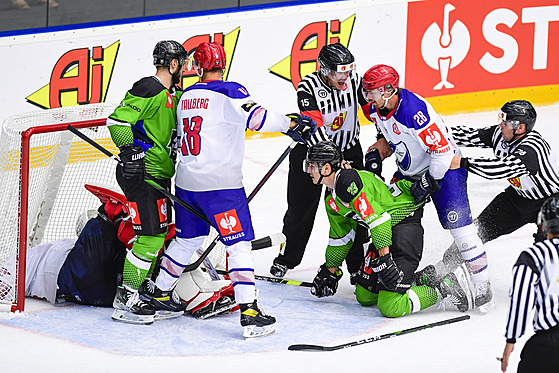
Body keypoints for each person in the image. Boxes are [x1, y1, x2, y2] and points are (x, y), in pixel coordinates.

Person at [150, 41, 316, 338]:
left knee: (188, 240)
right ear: (222, 65)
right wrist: (290, 123)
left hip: (187, 183)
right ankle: (249, 311)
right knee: (238, 246)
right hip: (221, 187)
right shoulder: (229, 90)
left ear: (198, 68)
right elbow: (257, 118)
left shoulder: (185, 95)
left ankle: (160, 293)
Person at [362, 64, 492, 312]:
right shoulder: (376, 107)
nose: (369, 97)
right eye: (368, 92)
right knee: (390, 218)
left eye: (373, 91)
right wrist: (379, 151)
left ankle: (481, 286)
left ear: (389, 90)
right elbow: (390, 138)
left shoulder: (414, 110)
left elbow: (441, 152)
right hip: (409, 172)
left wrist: (430, 180)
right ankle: (397, 274)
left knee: (461, 230)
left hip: (445, 170)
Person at [17, 184, 236, 320]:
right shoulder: (86, 248)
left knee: (170, 244)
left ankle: (204, 287)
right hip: (113, 286)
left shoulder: (78, 250)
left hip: (103, 286)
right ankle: (199, 295)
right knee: (167, 248)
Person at [305, 141, 474, 316]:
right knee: (364, 295)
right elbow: (341, 237)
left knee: (390, 306)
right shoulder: (332, 198)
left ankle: (445, 287)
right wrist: (330, 270)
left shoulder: (348, 183)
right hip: (385, 231)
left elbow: (379, 220)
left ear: (326, 168)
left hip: (403, 225)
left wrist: (385, 260)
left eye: (311, 166)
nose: (308, 171)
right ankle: (424, 278)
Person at [271, 43, 370, 281]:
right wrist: (335, 161)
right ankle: (287, 258)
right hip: (312, 154)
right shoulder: (308, 86)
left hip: (349, 151)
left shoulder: (354, 82)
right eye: (339, 72)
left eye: (348, 70)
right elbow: (315, 127)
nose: (345, 77)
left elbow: (371, 109)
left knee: (355, 210)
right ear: (325, 70)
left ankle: (357, 265)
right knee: (300, 210)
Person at [106, 40, 188, 324]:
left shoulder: (172, 94)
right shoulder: (149, 87)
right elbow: (117, 121)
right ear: (174, 64)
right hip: (142, 176)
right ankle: (126, 295)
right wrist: (129, 152)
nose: (186, 69)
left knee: (159, 236)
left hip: (160, 176)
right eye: (184, 64)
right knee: (150, 237)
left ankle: (142, 287)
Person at [429, 100, 559, 279]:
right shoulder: (502, 134)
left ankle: (545, 289)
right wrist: (434, 133)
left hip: (551, 203)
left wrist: (463, 163)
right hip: (517, 199)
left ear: (520, 128)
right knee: (475, 232)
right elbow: (470, 135)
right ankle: (442, 269)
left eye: (505, 122)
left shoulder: (532, 149)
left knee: (547, 249)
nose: (500, 125)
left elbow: (501, 168)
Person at [500, 196, 559, 372]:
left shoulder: (534, 255)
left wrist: (511, 339)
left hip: (549, 344)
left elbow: (521, 297)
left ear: (544, 225)